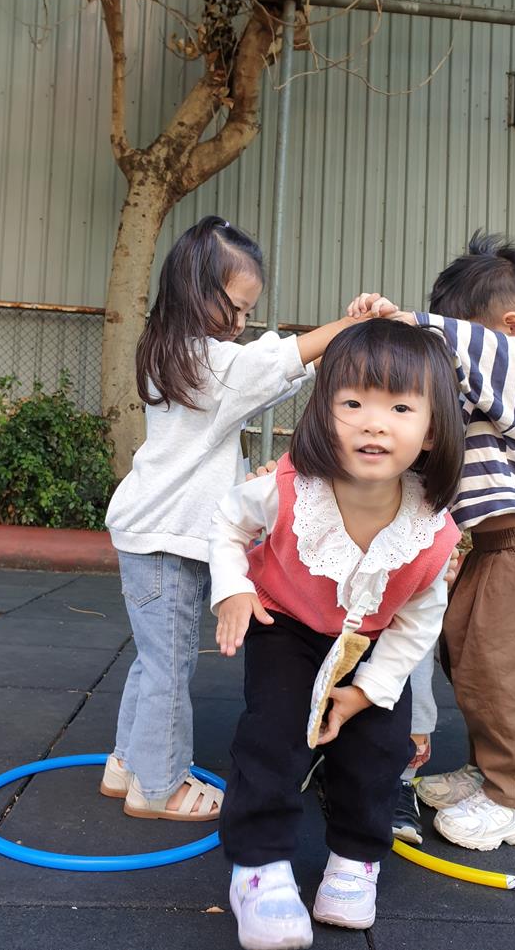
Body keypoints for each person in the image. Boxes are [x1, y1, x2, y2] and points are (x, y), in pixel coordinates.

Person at [101, 215, 374, 822]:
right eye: (236, 307)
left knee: (153, 659)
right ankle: (158, 786)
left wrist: (336, 338)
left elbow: (269, 378)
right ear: (195, 290)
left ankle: (127, 762)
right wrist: (351, 327)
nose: (242, 322)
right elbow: (263, 367)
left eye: (250, 312)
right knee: (169, 665)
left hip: (154, 535)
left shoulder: (173, 354)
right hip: (167, 542)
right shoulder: (203, 363)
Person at [208, 319, 464, 950]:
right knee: (275, 733)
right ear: (323, 414)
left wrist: (368, 691)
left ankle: (354, 859)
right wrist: (233, 588)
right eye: (352, 403)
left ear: (432, 430)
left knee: (378, 748)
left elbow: (418, 620)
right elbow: (227, 522)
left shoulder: (431, 530)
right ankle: (259, 868)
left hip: (371, 644)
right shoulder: (292, 488)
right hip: (287, 626)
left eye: (400, 408)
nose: (374, 424)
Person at [349, 230, 515, 852]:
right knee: (478, 668)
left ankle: (514, 801)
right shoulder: (490, 387)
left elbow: (471, 349)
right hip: (490, 550)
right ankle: (488, 770)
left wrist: (407, 324)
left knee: (513, 676)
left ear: (510, 327)